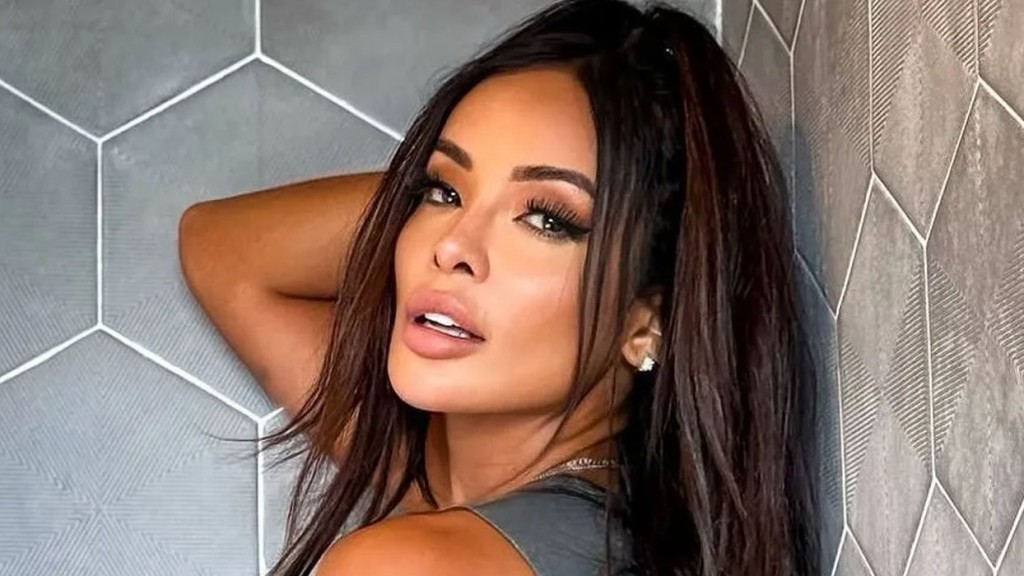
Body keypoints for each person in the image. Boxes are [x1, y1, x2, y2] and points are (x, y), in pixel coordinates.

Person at [178, 0, 820, 574]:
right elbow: (221, 248)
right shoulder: (604, 524)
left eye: (548, 220)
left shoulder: (408, 563)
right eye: (440, 191)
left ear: (649, 321)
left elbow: (225, 251)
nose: (451, 246)